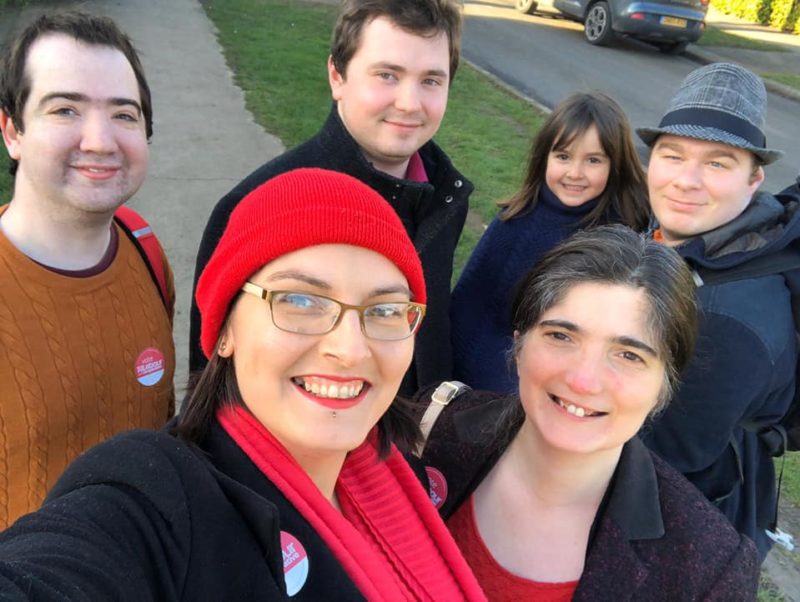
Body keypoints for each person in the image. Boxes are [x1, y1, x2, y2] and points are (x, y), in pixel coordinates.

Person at [0, 168, 486, 602]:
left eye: (383, 311)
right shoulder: (160, 495)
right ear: (225, 330)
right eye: (300, 300)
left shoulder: (408, 477)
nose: (351, 349)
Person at [418, 226, 759, 601]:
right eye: (561, 337)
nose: (583, 380)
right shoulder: (431, 428)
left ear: (664, 385)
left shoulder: (708, 569)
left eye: (629, 355)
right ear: (518, 345)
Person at [190, 0, 471, 397]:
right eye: (387, 75)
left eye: (431, 80)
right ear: (337, 76)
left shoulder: (445, 198)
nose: (409, 103)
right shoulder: (259, 203)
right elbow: (212, 378)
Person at [0, 11, 174, 529]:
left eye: (124, 115)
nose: (100, 140)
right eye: (65, 109)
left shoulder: (145, 250)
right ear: (12, 130)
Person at [635, 63, 798, 560]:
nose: (686, 180)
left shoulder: (726, 321)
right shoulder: (691, 238)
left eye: (718, 163)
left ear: (755, 180)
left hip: (684, 525)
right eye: (672, 154)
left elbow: (662, 470)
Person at [450, 91, 649, 393]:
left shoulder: (625, 239)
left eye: (593, 160)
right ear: (544, 157)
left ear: (616, 165)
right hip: (479, 378)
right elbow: (468, 306)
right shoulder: (513, 221)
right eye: (563, 156)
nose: (575, 173)